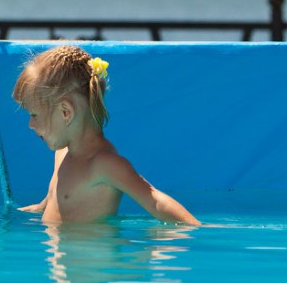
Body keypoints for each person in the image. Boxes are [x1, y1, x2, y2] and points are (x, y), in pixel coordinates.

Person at [13, 44, 199, 224]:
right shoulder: (61, 154)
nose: (30, 124)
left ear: (65, 112)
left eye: (34, 115)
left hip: (93, 247)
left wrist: (193, 230)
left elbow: (155, 200)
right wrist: (40, 207)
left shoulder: (104, 165)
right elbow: (56, 195)